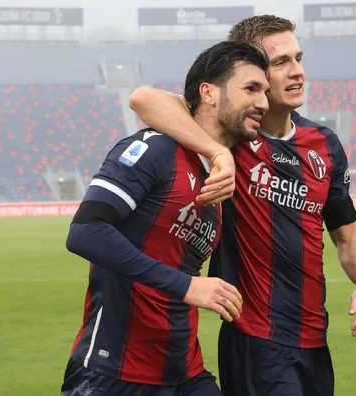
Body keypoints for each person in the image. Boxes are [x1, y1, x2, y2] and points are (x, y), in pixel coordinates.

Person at [129, 15, 356, 396]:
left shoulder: (325, 144)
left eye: (298, 58)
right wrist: (218, 152)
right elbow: (143, 99)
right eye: (281, 63)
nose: (297, 72)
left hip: (314, 337)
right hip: (256, 339)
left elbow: (347, 237)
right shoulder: (231, 131)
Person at [61, 41, 271, 396]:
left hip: (184, 372)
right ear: (209, 93)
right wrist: (187, 285)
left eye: (265, 91)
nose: (263, 102)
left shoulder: (224, 177)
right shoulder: (155, 149)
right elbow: (85, 232)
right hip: (114, 371)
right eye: (251, 89)